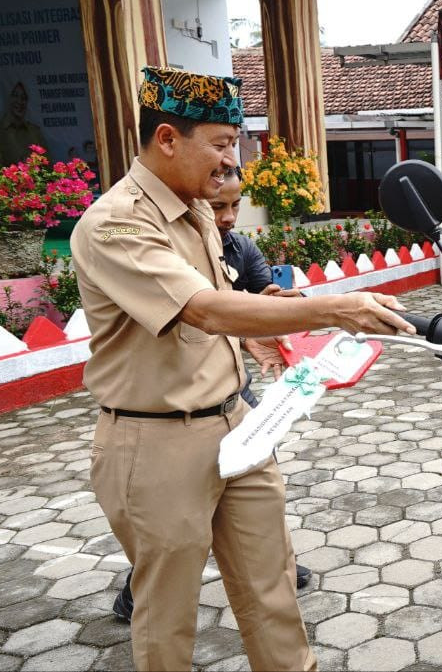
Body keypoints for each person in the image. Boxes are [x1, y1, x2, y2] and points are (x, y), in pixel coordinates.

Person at [71, 66, 414, 671]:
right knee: (168, 612)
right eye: (223, 143)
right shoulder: (116, 222)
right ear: (169, 138)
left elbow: (222, 303)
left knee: (272, 587)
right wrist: (340, 307)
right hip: (155, 439)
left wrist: (269, 328)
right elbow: (202, 308)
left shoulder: (198, 210)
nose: (234, 160)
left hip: (239, 424)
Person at [109, 167, 311, 624]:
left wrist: (275, 313)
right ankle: (136, 592)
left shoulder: (241, 248)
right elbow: (201, 314)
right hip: (175, 408)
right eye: (218, 205)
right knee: (175, 525)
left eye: (235, 205)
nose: (228, 216)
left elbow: (265, 303)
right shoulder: (154, 247)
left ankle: (276, 566)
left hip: (235, 396)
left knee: (263, 484)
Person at [0, 81, 47, 165]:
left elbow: (47, 165)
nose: (19, 101)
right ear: (8, 98)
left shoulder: (35, 131)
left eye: (23, 98)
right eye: (15, 96)